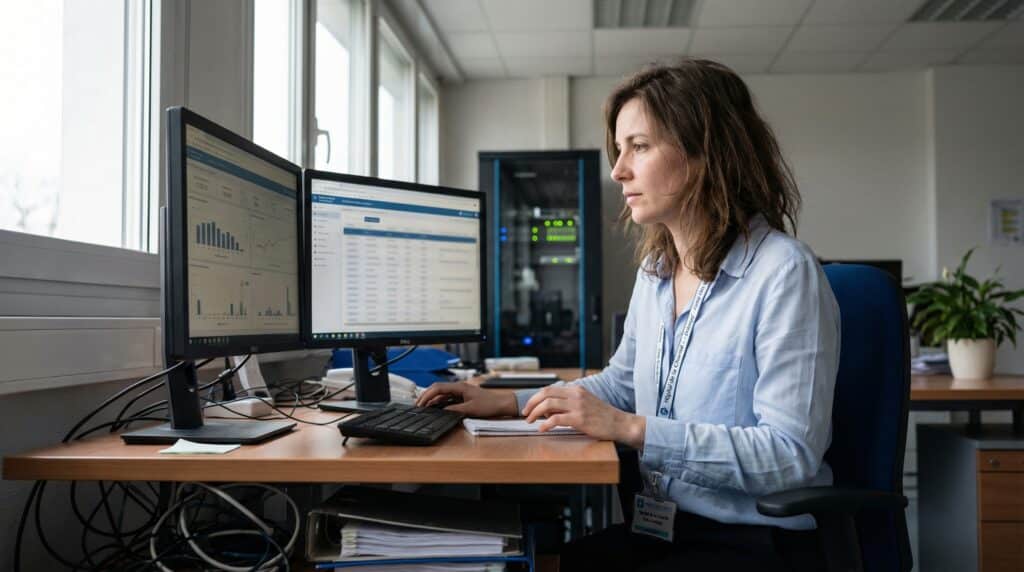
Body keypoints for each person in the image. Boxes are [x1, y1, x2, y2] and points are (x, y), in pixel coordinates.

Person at [416, 58, 839, 572]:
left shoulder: (783, 273)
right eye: (619, 150)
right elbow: (622, 383)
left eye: (638, 147)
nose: (618, 170)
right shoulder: (658, 272)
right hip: (665, 527)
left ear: (706, 152)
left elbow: (788, 455)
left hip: (752, 541)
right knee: (529, 563)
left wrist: (631, 429)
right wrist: (508, 402)